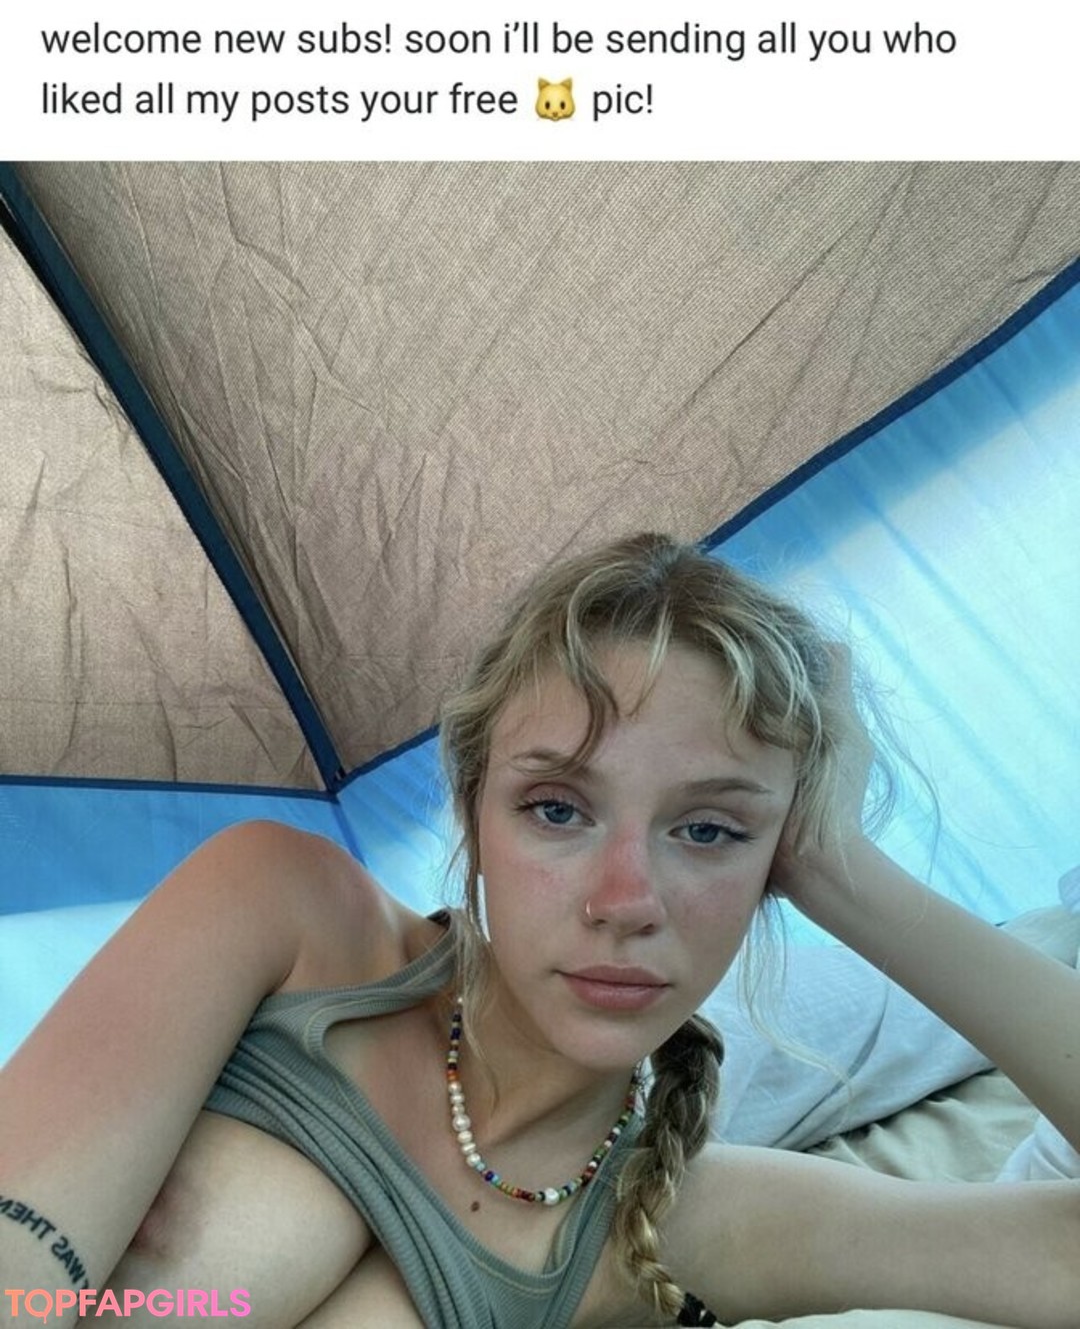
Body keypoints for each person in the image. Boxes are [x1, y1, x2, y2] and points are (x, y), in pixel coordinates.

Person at [1, 534, 1077, 1327]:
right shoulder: (290, 913)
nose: (625, 898)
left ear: (775, 863)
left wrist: (847, 877)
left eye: (708, 829)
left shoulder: (673, 1225)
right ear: (473, 811)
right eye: (557, 809)